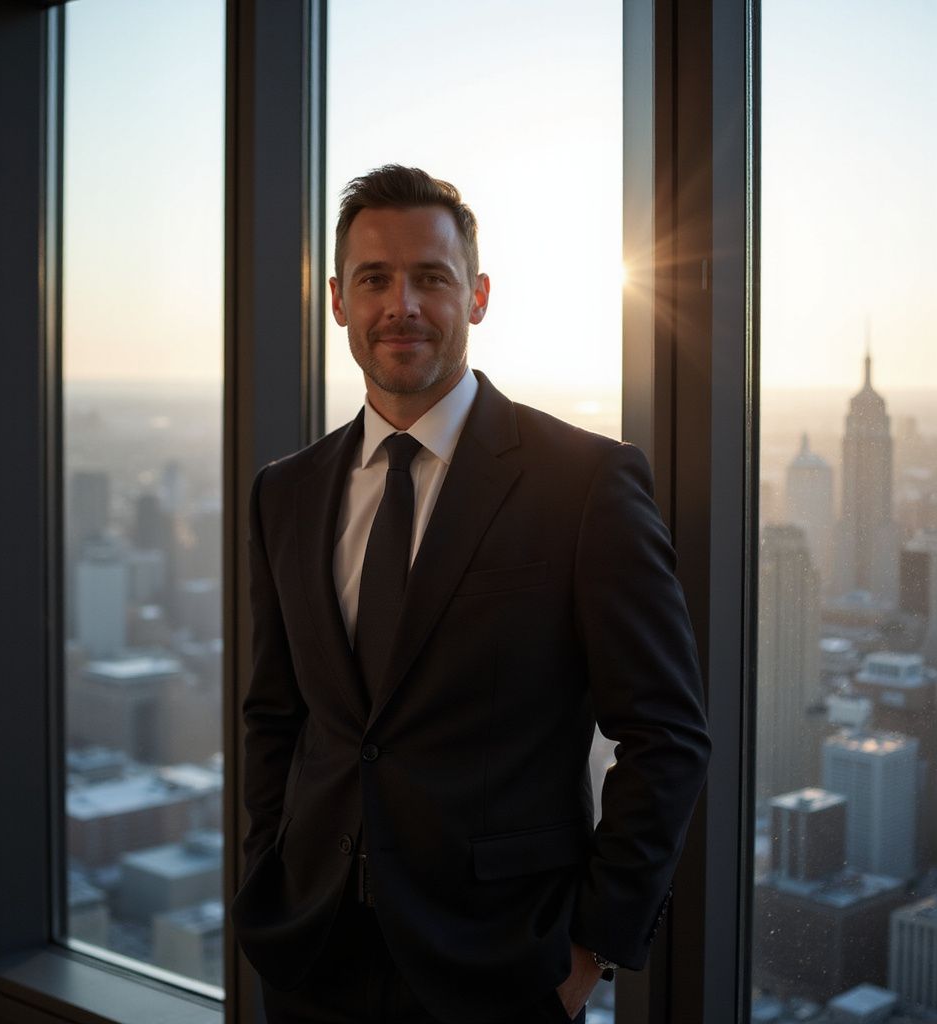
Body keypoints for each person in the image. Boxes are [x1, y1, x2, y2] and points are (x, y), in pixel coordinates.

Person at [231, 165, 711, 1024]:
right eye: (374, 279)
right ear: (338, 299)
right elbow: (277, 716)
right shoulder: (285, 492)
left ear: (478, 296)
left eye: (432, 278)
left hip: (502, 968)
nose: (401, 305)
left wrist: (589, 950)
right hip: (311, 958)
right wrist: (266, 872)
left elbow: (666, 734)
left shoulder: (585, 483)